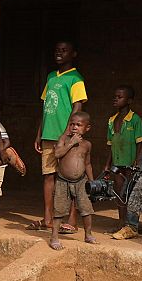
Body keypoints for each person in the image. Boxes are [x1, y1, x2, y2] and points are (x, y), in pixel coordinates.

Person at [29, 40, 87, 233]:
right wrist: (39, 133)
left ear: (74, 54)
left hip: (66, 137)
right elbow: (45, 107)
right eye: (57, 50)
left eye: (64, 51)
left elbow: (78, 107)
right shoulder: (51, 77)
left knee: (69, 178)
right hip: (48, 134)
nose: (59, 53)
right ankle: (48, 216)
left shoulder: (76, 78)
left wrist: (67, 133)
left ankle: (71, 220)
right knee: (48, 176)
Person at [50, 112, 95, 250]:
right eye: (72, 124)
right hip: (63, 181)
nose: (74, 127)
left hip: (81, 181)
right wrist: (71, 143)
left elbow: (87, 163)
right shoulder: (63, 139)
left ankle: (88, 234)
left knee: (86, 209)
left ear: (87, 128)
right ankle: (54, 237)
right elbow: (57, 154)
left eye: (78, 125)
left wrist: (92, 181)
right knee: (59, 210)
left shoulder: (87, 144)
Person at [104, 86, 142, 240]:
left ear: (129, 101)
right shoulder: (111, 120)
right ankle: (121, 223)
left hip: (131, 163)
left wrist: (137, 162)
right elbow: (110, 145)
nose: (116, 99)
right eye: (115, 96)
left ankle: (130, 225)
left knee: (131, 193)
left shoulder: (135, 119)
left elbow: (140, 143)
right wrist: (107, 165)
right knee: (119, 193)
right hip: (118, 162)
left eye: (119, 97)